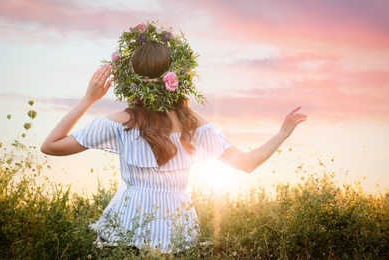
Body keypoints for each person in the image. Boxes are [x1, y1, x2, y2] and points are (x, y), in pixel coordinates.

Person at [41, 21, 307, 253]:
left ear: (130, 78)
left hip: (126, 229)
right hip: (177, 233)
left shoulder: (120, 122)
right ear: (177, 75)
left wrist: (89, 99)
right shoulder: (193, 124)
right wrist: (281, 135)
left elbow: (50, 146)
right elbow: (247, 163)